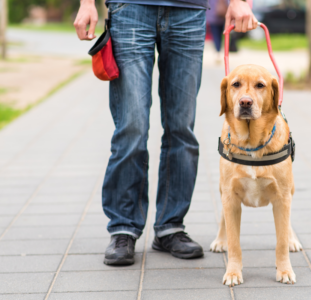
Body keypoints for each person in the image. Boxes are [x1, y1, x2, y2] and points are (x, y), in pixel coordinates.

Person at [74, 0, 257, 265]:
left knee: (181, 128)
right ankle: (123, 227)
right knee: (131, 127)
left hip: (189, 11)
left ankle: (170, 226)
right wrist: (86, 3)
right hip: (130, 9)